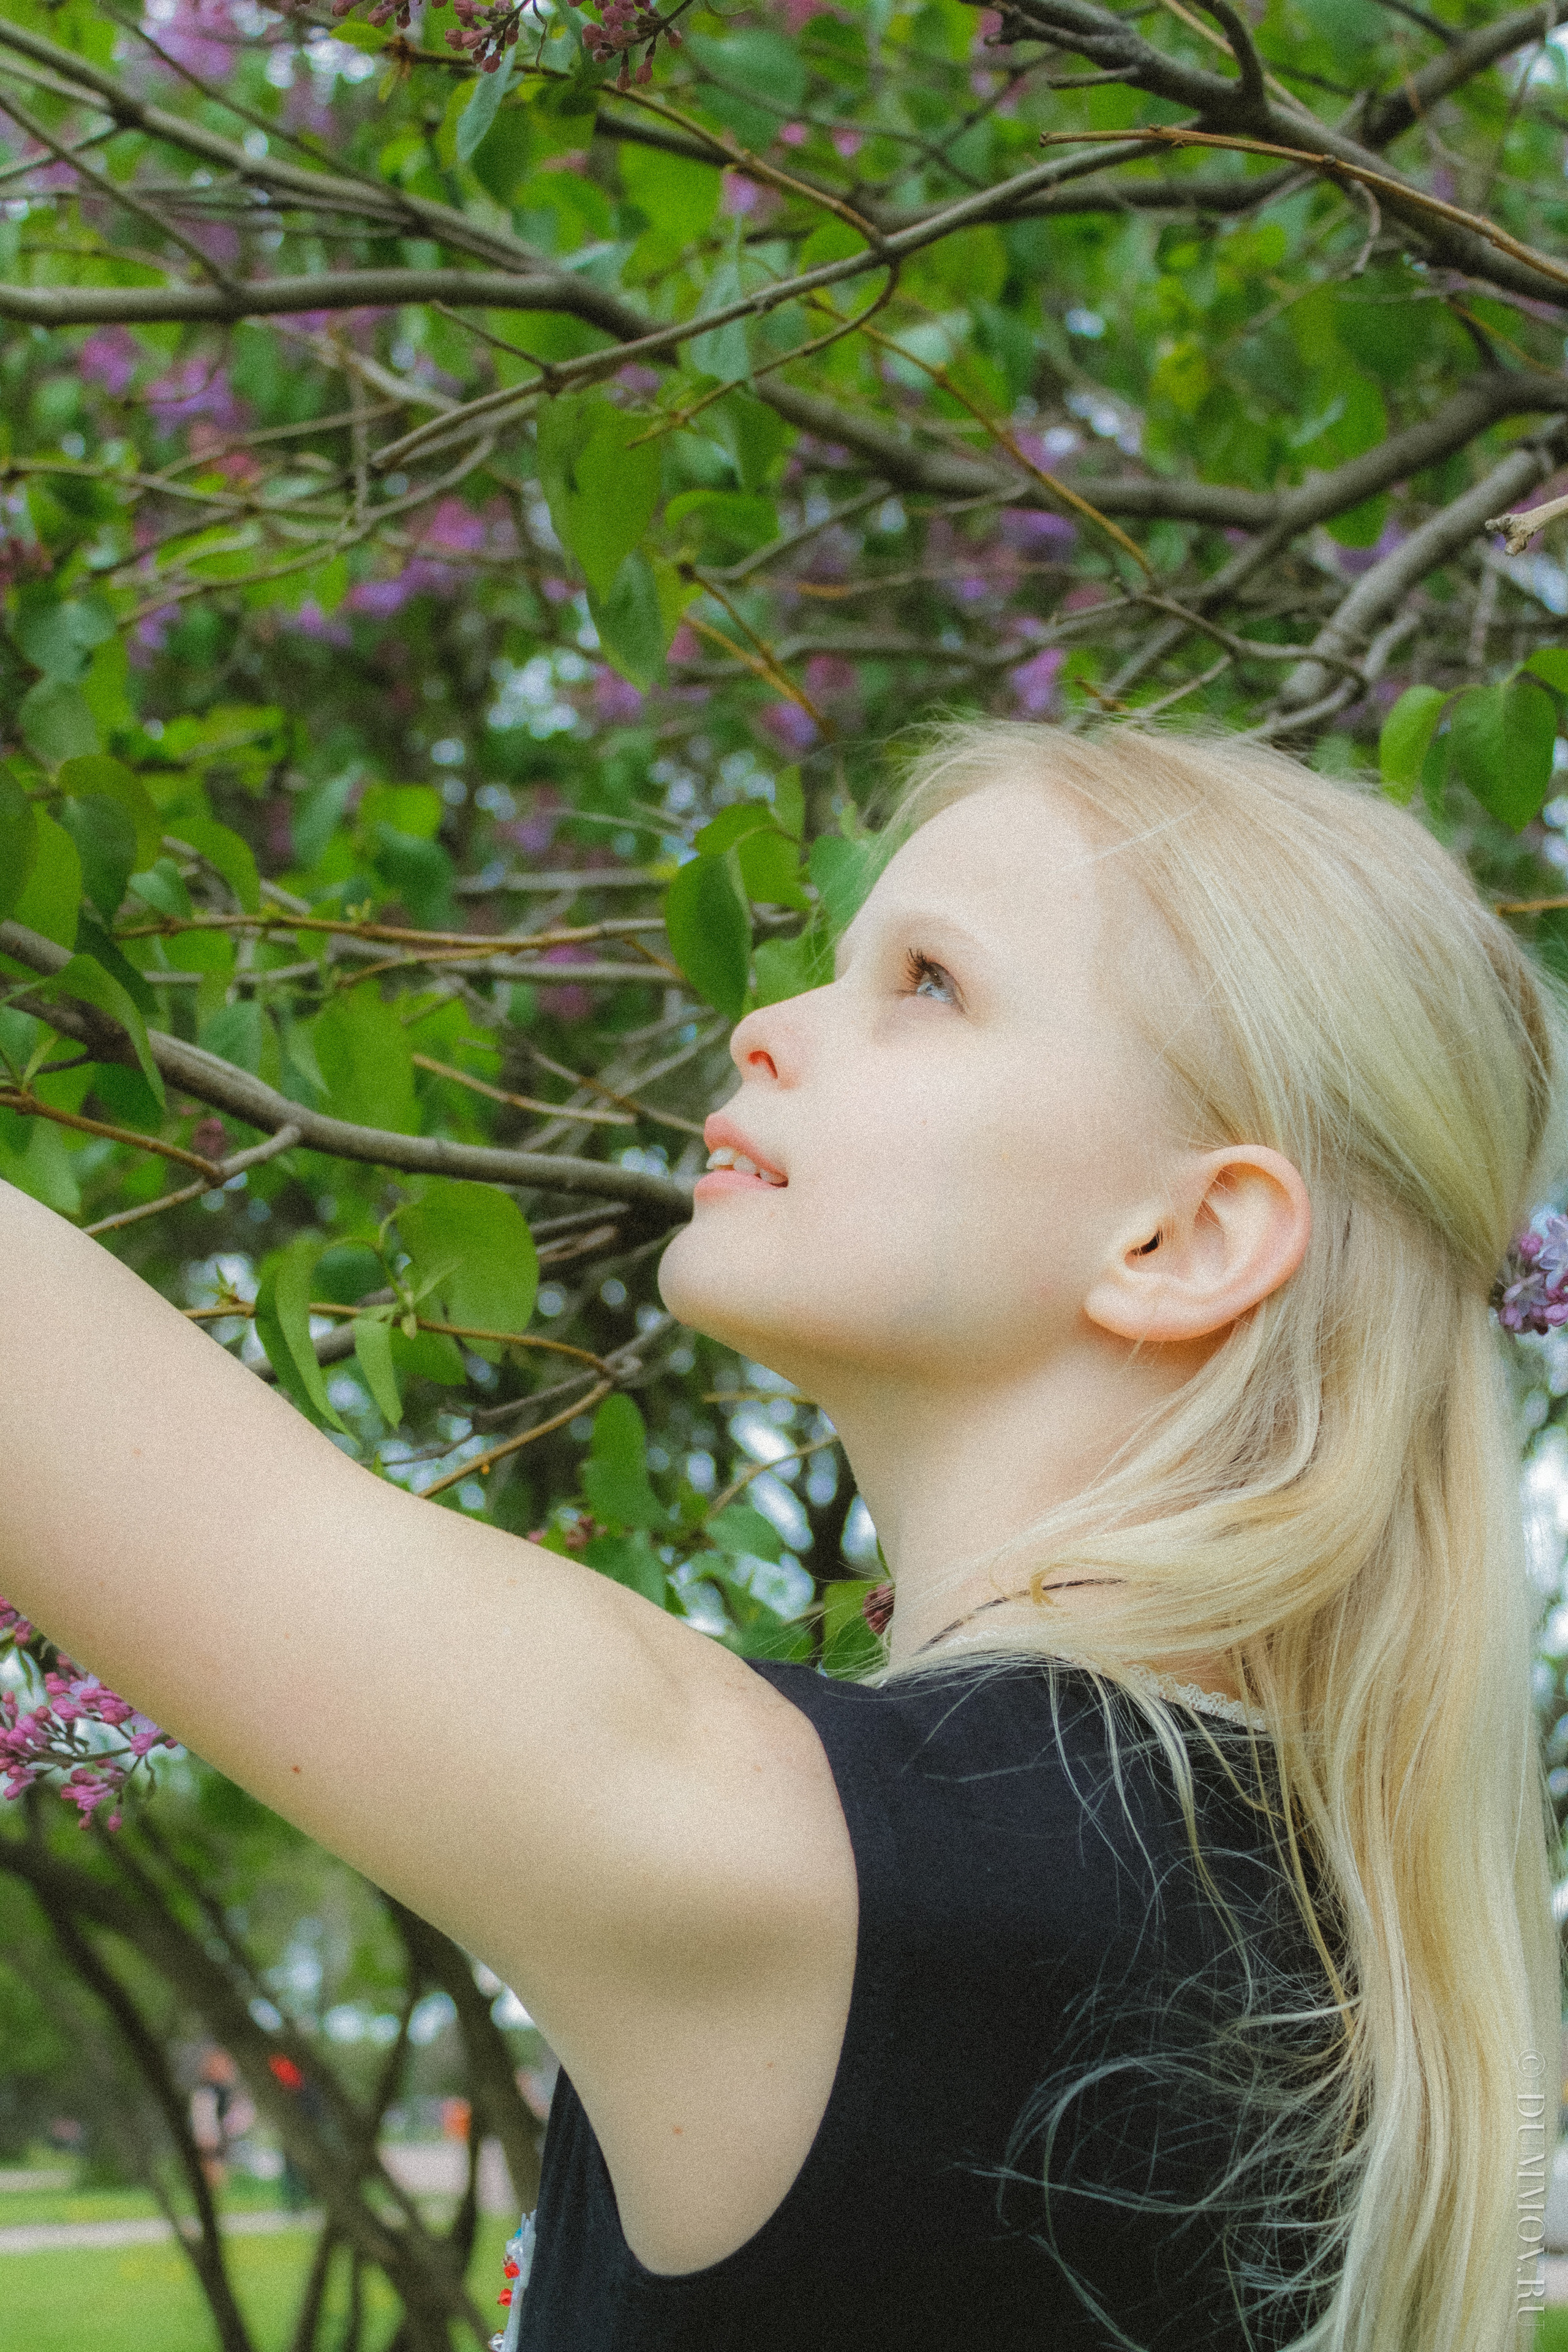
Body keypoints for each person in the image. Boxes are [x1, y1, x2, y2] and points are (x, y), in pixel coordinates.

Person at [0, 721, 1557, 2351]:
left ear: (1183, 1237)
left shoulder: (816, 1873)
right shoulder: (1328, 1926)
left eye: (930, 982)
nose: (766, 1024)